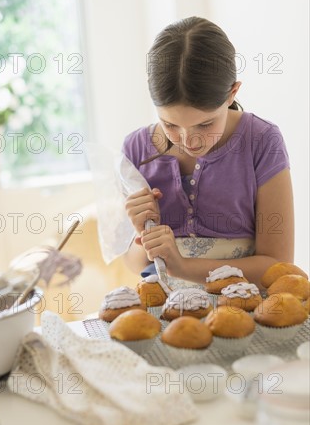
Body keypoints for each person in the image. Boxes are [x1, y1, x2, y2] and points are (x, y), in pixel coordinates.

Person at [121, 16, 294, 289]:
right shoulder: (135, 150)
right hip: (166, 313)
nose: (188, 140)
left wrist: (183, 267)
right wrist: (143, 231)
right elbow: (133, 262)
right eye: (170, 124)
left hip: (243, 313)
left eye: (205, 124)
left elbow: (278, 266)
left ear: (232, 93)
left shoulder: (262, 141)